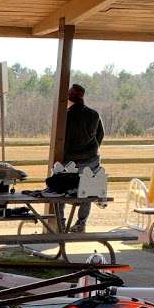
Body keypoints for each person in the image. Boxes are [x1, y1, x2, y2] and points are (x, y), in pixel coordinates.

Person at [63, 84, 105, 232]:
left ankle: (60, 222)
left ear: (69, 98)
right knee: (87, 189)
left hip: (71, 159)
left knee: (59, 187)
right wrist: (92, 148)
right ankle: (81, 223)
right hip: (92, 158)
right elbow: (100, 134)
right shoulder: (93, 114)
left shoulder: (67, 115)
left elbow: (62, 138)